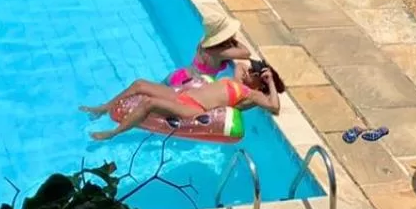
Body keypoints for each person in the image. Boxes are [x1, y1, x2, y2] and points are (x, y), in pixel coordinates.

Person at [83, 59, 285, 141]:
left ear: (261, 82)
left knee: (149, 103)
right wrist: (258, 72)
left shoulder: (252, 94)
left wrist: (269, 82)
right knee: (140, 84)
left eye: (254, 72)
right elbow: (241, 63)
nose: (249, 70)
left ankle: (113, 133)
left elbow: (274, 107)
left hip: (193, 107)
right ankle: (104, 107)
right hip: (183, 95)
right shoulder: (239, 80)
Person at [168, 9, 251, 90]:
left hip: (179, 75)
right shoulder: (219, 52)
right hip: (192, 84)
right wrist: (233, 39)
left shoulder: (202, 43)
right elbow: (246, 53)